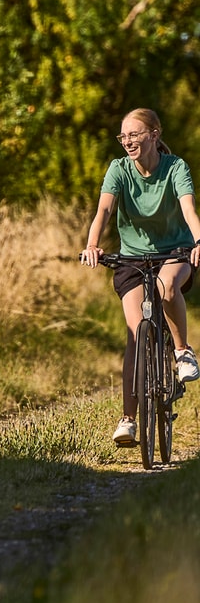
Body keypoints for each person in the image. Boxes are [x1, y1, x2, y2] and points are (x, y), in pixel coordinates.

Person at [80, 108, 200, 446]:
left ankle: (182, 351)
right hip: (132, 259)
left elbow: (189, 209)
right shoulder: (118, 169)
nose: (128, 141)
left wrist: (199, 241)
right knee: (135, 335)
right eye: (124, 136)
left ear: (154, 135)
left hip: (174, 252)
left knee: (166, 290)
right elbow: (104, 210)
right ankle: (128, 420)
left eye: (135, 134)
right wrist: (92, 245)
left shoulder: (175, 168)